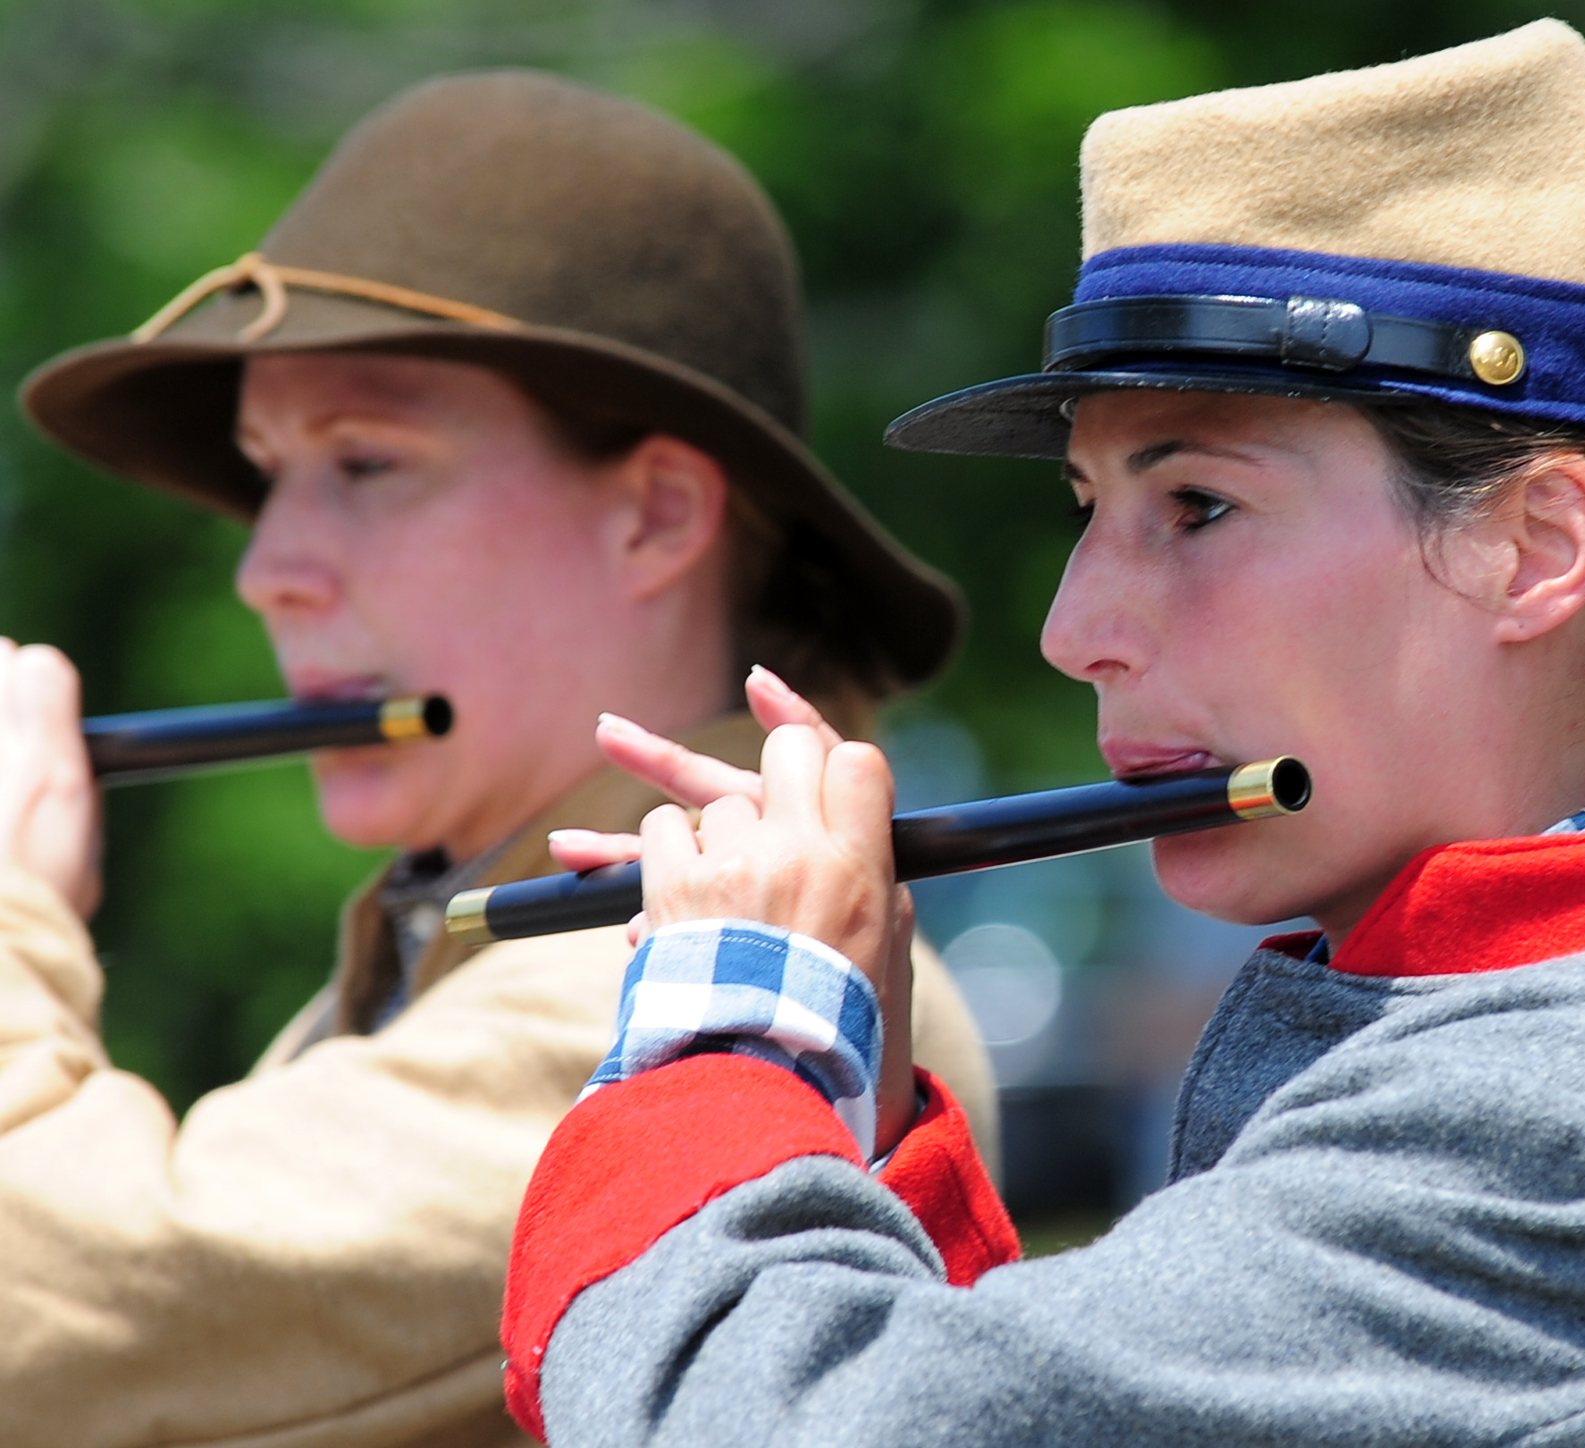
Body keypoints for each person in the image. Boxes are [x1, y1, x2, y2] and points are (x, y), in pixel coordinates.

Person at [496, 21, 1585, 1447]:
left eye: (1197, 505)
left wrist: (728, 1041)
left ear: (1537, 546)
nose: (1076, 625)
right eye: (1090, 511)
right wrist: (859, 1115)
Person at [0, 71, 995, 1448]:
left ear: (654, 513)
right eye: (269, 474)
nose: (269, 571)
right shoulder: (473, 943)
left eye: (363, 464)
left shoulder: (715, 989)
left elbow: (39, 1324)